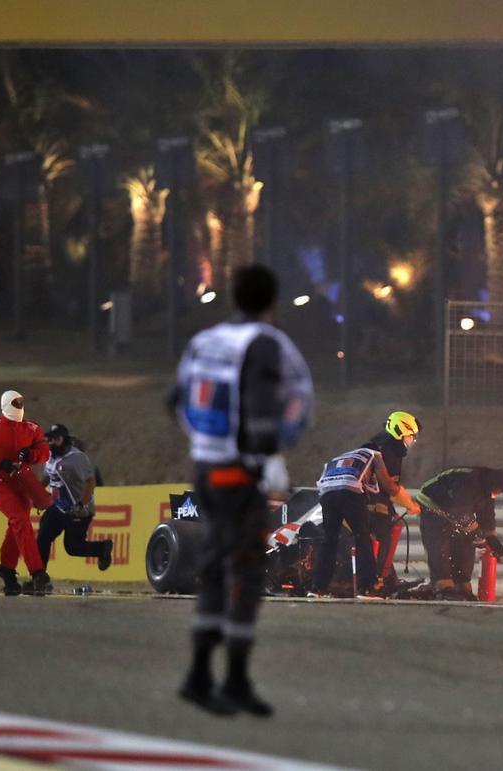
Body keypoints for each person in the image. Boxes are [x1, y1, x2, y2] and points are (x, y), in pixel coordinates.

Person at [170, 265, 313, 717]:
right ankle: (233, 678)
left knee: (214, 568)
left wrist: (206, 445)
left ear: (232, 296)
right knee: (245, 575)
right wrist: (269, 456)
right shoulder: (263, 342)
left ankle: (198, 673)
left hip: (207, 468)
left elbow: (176, 401)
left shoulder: (205, 341)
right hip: (240, 472)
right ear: (272, 301)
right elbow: (259, 402)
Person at [0, 390, 54, 596]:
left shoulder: (32, 428)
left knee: (18, 523)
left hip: (21, 481)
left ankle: (7, 570)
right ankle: (37, 571)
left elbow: (44, 454)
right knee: (20, 520)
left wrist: (31, 454)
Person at [311, 440, 420, 597]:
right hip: (350, 492)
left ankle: (317, 588)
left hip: (327, 495)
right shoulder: (373, 454)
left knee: (329, 541)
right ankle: (368, 587)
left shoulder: (340, 458)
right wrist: (410, 504)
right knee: (363, 539)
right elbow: (389, 486)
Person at [415, 466, 503, 601]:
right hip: (433, 504)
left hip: (453, 509)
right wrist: (479, 537)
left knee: (466, 545)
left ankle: (462, 584)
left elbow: (487, 518)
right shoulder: (468, 481)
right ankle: (443, 586)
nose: (497, 494)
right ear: (491, 484)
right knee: (440, 544)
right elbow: (461, 513)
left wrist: (492, 540)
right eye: (496, 491)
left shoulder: (487, 491)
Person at [36, 423, 113, 572]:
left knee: (73, 547)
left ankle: (102, 548)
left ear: (65, 439)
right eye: (49, 439)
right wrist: (37, 494)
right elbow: (47, 476)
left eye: (56, 439)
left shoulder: (76, 458)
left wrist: (81, 504)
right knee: (42, 539)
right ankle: (39, 577)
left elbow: (90, 482)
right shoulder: (50, 457)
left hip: (77, 508)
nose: (51, 443)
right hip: (58, 507)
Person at [361, 411, 422, 594]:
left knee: (382, 535)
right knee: (384, 539)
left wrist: (391, 508)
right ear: (401, 431)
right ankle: (375, 582)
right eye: (411, 436)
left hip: (367, 501)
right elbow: (389, 486)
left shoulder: (379, 445)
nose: (412, 440)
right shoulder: (389, 450)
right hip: (370, 504)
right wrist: (410, 505)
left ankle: (387, 578)